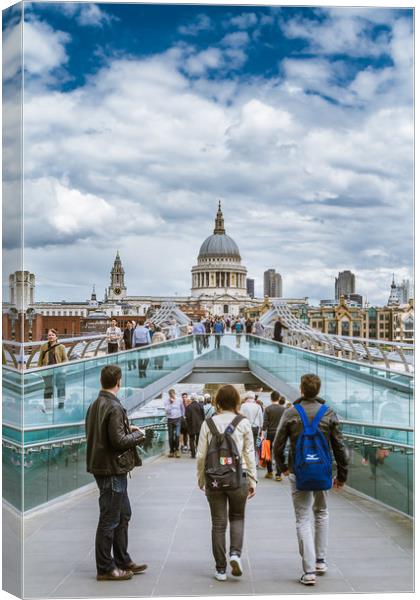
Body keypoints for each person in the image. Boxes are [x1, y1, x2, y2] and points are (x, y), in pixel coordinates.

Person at [273, 373, 349, 586]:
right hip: (323, 472)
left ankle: (308, 572)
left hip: (299, 471)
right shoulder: (329, 413)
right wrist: (342, 474)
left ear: (301, 389)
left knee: (303, 517)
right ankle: (321, 561)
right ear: (318, 389)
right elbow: (339, 446)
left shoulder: (290, 413)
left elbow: (278, 443)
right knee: (322, 512)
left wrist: (282, 468)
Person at [85, 365, 147, 581]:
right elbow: (118, 442)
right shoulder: (113, 406)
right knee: (110, 518)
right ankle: (105, 567)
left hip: (103, 466)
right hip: (112, 469)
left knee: (123, 514)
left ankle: (122, 559)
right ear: (118, 381)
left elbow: (106, 435)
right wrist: (139, 436)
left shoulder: (95, 404)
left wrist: (129, 430)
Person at [196, 385, 257, 581]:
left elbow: (201, 456)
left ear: (218, 402)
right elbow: (249, 454)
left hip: (214, 480)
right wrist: (253, 479)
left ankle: (221, 569)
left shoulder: (208, 424)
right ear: (237, 402)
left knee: (218, 524)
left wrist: (201, 478)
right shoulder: (244, 423)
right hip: (239, 478)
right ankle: (235, 554)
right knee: (237, 517)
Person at [38, 329, 68, 410]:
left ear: (56, 337)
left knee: (60, 388)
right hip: (47, 371)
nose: (50, 336)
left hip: (59, 371)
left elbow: (65, 359)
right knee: (48, 388)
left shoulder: (61, 347)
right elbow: (40, 359)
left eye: (52, 335)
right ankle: (48, 406)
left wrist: (62, 368)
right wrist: (40, 371)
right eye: (49, 335)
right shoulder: (43, 346)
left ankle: (61, 404)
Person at [261, 391, 286, 481]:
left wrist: (262, 433)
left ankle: (270, 472)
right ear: (279, 398)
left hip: (270, 433)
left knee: (268, 452)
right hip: (280, 434)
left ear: (271, 398)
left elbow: (265, 423)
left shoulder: (268, 409)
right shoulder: (283, 409)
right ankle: (278, 474)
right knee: (279, 453)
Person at [164, 388, 184, 458]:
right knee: (170, 436)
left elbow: (182, 408)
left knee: (177, 435)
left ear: (174, 394)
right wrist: (170, 403)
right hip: (170, 420)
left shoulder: (179, 400)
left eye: (172, 395)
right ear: (169, 395)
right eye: (170, 395)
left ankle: (177, 450)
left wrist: (182, 416)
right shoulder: (167, 401)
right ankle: (171, 451)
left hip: (178, 419)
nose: (171, 396)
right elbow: (167, 411)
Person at [185, 393, 205, 458]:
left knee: (191, 439)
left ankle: (193, 454)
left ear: (191, 399)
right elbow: (203, 416)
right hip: (199, 425)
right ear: (196, 398)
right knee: (198, 439)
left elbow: (187, 417)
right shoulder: (200, 406)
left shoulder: (188, 407)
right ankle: (198, 452)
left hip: (191, 425)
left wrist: (187, 424)